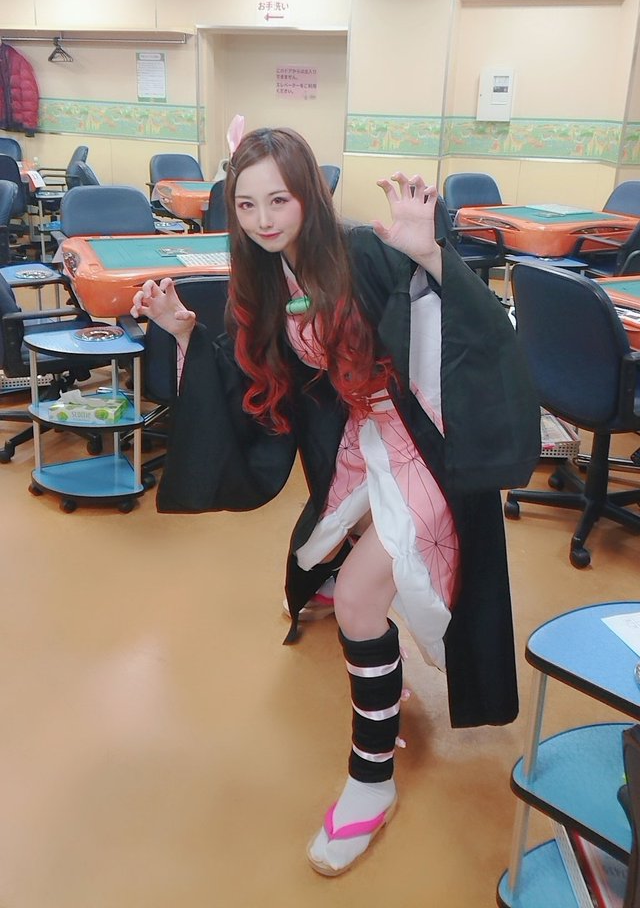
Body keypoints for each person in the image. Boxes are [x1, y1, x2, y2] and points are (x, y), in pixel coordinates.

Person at [131, 127, 540, 877]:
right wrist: (183, 330)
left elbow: (471, 328)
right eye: (246, 204)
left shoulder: (363, 251)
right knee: (335, 559)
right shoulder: (267, 277)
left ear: (309, 196)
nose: (263, 219)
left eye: (279, 200)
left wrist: (427, 255)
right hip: (364, 439)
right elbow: (257, 378)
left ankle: (371, 777)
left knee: (355, 597)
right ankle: (384, 689)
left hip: (428, 442)